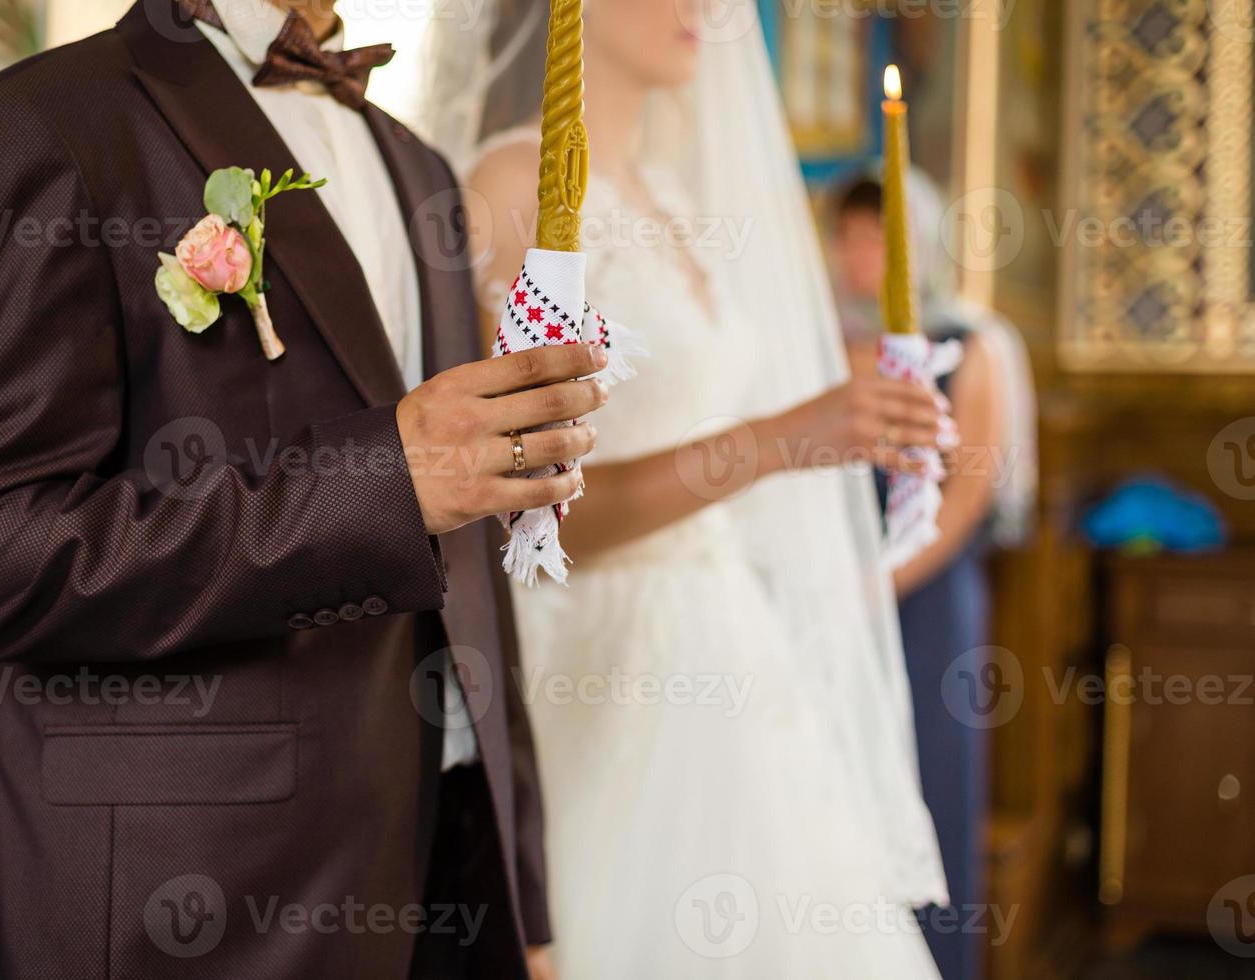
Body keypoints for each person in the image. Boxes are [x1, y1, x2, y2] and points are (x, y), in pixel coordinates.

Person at [0, 0, 604, 976]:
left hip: (429, 876)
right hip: (178, 906)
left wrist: (517, 882)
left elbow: (466, 562)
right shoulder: (28, 130)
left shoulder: (422, 170)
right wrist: (382, 480)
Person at [419, 1, 951, 976]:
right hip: (592, 655)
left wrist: (858, 418)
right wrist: (788, 436)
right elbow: (513, 508)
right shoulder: (508, 184)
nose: (707, 11)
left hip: (726, 648)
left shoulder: (672, 197)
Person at [828, 169, 1038, 980]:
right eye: (847, 237)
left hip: (928, 601)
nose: (859, 255)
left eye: (877, 237)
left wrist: (877, 584)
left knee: (931, 779)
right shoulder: (824, 340)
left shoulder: (972, 347)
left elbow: (968, 495)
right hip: (837, 596)